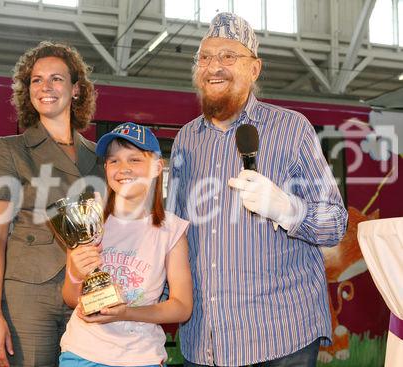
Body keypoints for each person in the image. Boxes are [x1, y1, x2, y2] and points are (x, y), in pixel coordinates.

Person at [167, 12, 348, 367]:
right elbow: (174, 229)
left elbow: (336, 223)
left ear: (254, 69)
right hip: (205, 340)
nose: (213, 66)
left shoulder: (291, 129)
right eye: (205, 57)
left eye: (228, 56)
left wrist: (287, 209)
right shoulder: (186, 138)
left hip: (281, 338)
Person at [0, 41, 104, 367]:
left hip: (87, 293)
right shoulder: (10, 149)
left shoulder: (98, 155)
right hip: (28, 296)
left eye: (56, 79)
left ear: (76, 90)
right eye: (36, 80)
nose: (45, 87)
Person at [59, 122, 193, 367]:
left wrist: (127, 313)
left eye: (134, 160)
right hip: (82, 354)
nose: (123, 169)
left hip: (141, 357)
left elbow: (182, 306)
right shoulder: (87, 218)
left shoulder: (172, 230)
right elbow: (70, 297)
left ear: (156, 167)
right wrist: (76, 273)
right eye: (113, 161)